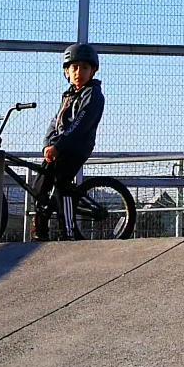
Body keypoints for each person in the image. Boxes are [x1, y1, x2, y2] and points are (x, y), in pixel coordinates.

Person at [35, 44, 105, 239]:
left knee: (61, 186)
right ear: (66, 71)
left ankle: (69, 232)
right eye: (74, 68)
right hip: (59, 147)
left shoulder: (92, 94)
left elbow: (80, 124)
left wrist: (58, 146)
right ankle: (40, 231)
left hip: (76, 148)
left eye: (84, 68)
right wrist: (47, 145)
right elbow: (55, 122)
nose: (78, 72)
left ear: (93, 71)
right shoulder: (68, 95)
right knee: (40, 185)